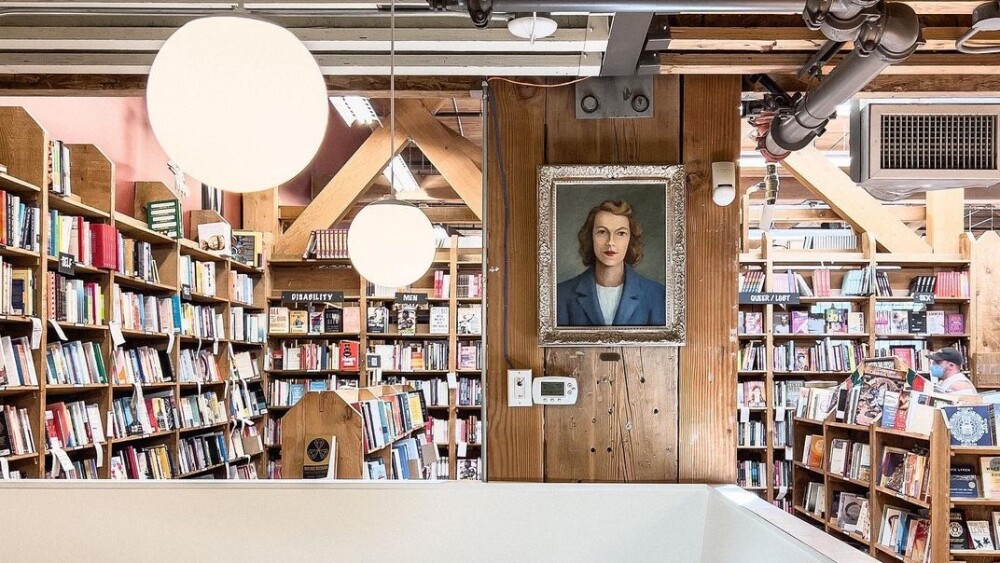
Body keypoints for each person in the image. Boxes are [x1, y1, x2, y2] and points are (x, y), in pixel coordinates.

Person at [556, 200, 665, 326]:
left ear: (630, 240)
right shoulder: (561, 295)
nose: (610, 242)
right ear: (590, 237)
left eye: (620, 233)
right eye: (602, 232)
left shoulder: (657, 295)